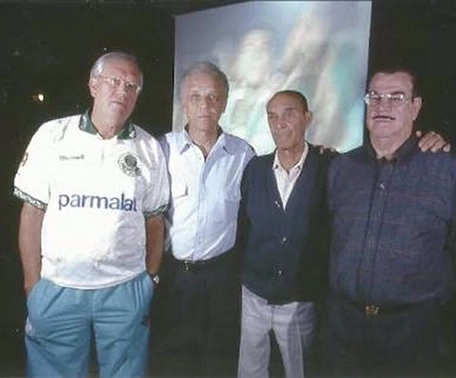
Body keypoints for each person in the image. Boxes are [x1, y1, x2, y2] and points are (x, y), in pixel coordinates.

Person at [13, 51, 169, 377]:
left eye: (132, 86)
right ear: (93, 84)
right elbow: (31, 214)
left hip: (125, 289)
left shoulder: (149, 148)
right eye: (115, 81)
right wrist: (33, 283)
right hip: (58, 288)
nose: (123, 92)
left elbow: (155, 222)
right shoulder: (52, 135)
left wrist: (150, 278)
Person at [325, 67, 456, 377]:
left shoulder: (445, 170)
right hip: (342, 332)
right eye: (376, 96)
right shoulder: (341, 167)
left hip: (415, 336)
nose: (383, 106)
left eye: (397, 97)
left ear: (415, 107)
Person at [157, 61, 255, 376]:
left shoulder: (243, 154)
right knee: (176, 360)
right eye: (196, 96)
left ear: (224, 104)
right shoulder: (162, 149)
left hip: (222, 278)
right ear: (183, 102)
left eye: (213, 97)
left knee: (219, 360)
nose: (205, 105)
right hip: (175, 277)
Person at [236, 90, 332, 378]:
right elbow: (244, 228)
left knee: (300, 370)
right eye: (272, 116)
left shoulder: (330, 167)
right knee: (250, 371)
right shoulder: (255, 169)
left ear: (307, 118)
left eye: (288, 114)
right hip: (254, 295)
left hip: (300, 299)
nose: (279, 123)